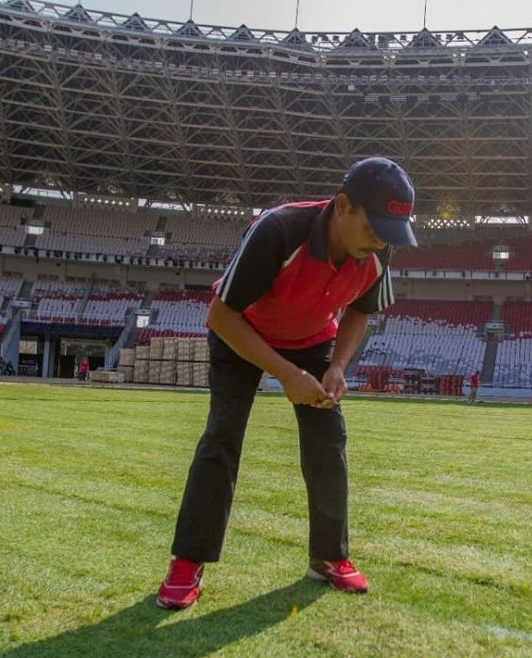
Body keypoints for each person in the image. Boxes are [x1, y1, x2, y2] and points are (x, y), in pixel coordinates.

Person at [157, 157, 418, 610]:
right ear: (342, 206)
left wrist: (337, 366)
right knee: (222, 436)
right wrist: (285, 374)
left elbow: (361, 310)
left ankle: (329, 556)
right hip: (243, 332)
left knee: (327, 439)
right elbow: (222, 314)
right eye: (373, 226)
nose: (380, 240)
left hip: (313, 336)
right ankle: (187, 561)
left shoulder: (379, 247)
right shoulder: (278, 230)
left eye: (389, 232)